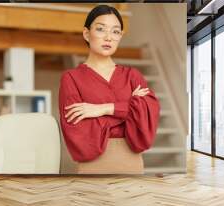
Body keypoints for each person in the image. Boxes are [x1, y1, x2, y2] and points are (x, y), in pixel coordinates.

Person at [58, 5, 161, 174]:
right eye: (100, 29)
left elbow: (148, 117)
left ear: (120, 36)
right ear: (86, 34)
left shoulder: (133, 76)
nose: (108, 37)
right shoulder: (71, 78)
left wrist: (101, 109)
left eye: (115, 31)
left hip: (132, 161)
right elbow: (77, 131)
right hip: (92, 165)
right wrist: (130, 108)